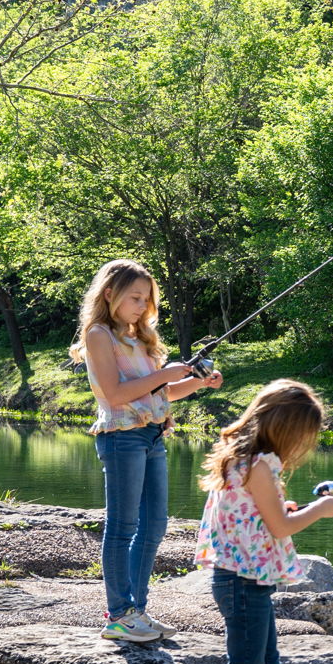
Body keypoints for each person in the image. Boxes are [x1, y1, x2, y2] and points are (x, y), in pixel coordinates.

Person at [194, 379, 333, 664]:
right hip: (241, 584)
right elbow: (279, 528)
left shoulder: (244, 460)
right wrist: (319, 511)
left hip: (246, 582)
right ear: (284, 429)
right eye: (302, 437)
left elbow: (262, 517)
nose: (303, 446)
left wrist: (287, 509)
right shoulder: (259, 466)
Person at [74, 260, 222, 644]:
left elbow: (163, 392)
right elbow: (115, 394)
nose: (142, 306)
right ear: (110, 294)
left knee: (154, 525)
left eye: (147, 299)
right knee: (122, 527)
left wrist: (196, 382)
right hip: (122, 436)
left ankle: (137, 609)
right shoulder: (99, 335)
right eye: (135, 297)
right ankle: (119, 615)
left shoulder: (141, 337)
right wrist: (165, 373)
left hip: (154, 435)